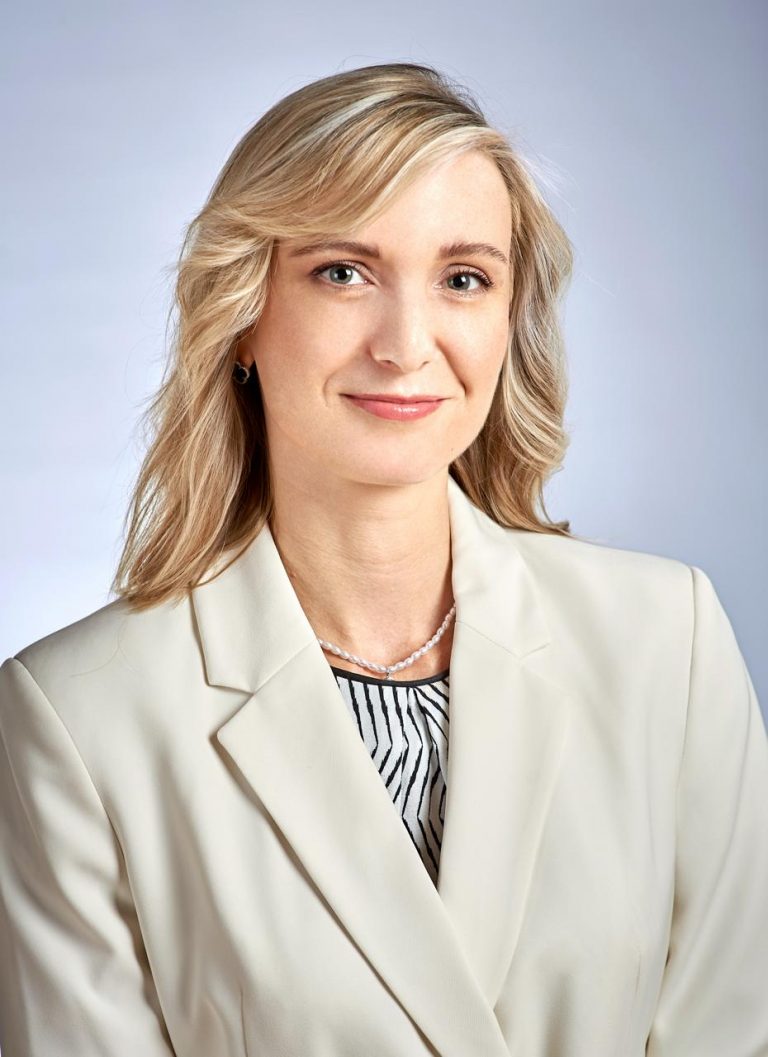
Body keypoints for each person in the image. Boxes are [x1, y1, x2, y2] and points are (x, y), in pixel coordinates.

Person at [0, 61, 766, 1057]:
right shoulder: (76, 718)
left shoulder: (671, 643)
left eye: (463, 279)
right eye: (343, 272)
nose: (407, 345)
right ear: (242, 313)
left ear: (507, 317)